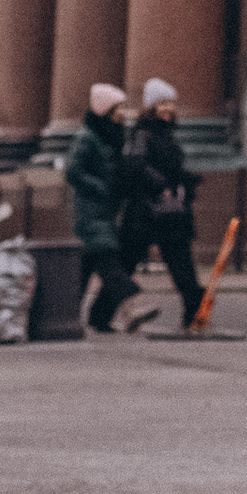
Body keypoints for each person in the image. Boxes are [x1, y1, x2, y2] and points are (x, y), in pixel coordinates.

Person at [117, 84, 205, 330]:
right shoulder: (143, 134)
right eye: (162, 103)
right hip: (147, 209)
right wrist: (160, 186)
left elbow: (168, 167)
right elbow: (137, 165)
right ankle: (101, 314)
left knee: (180, 262)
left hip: (169, 210)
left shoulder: (166, 135)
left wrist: (187, 179)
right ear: (151, 107)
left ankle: (193, 311)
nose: (167, 108)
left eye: (170, 103)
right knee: (128, 260)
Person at [66, 85, 133, 334]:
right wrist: (102, 188)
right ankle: (130, 308)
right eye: (118, 108)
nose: (123, 113)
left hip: (104, 212)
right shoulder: (87, 136)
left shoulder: (109, 135)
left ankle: (68, 317)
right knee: (109, 261)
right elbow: (73, 171)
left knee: (87, 268)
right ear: (106, 110)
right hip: (91, 213)